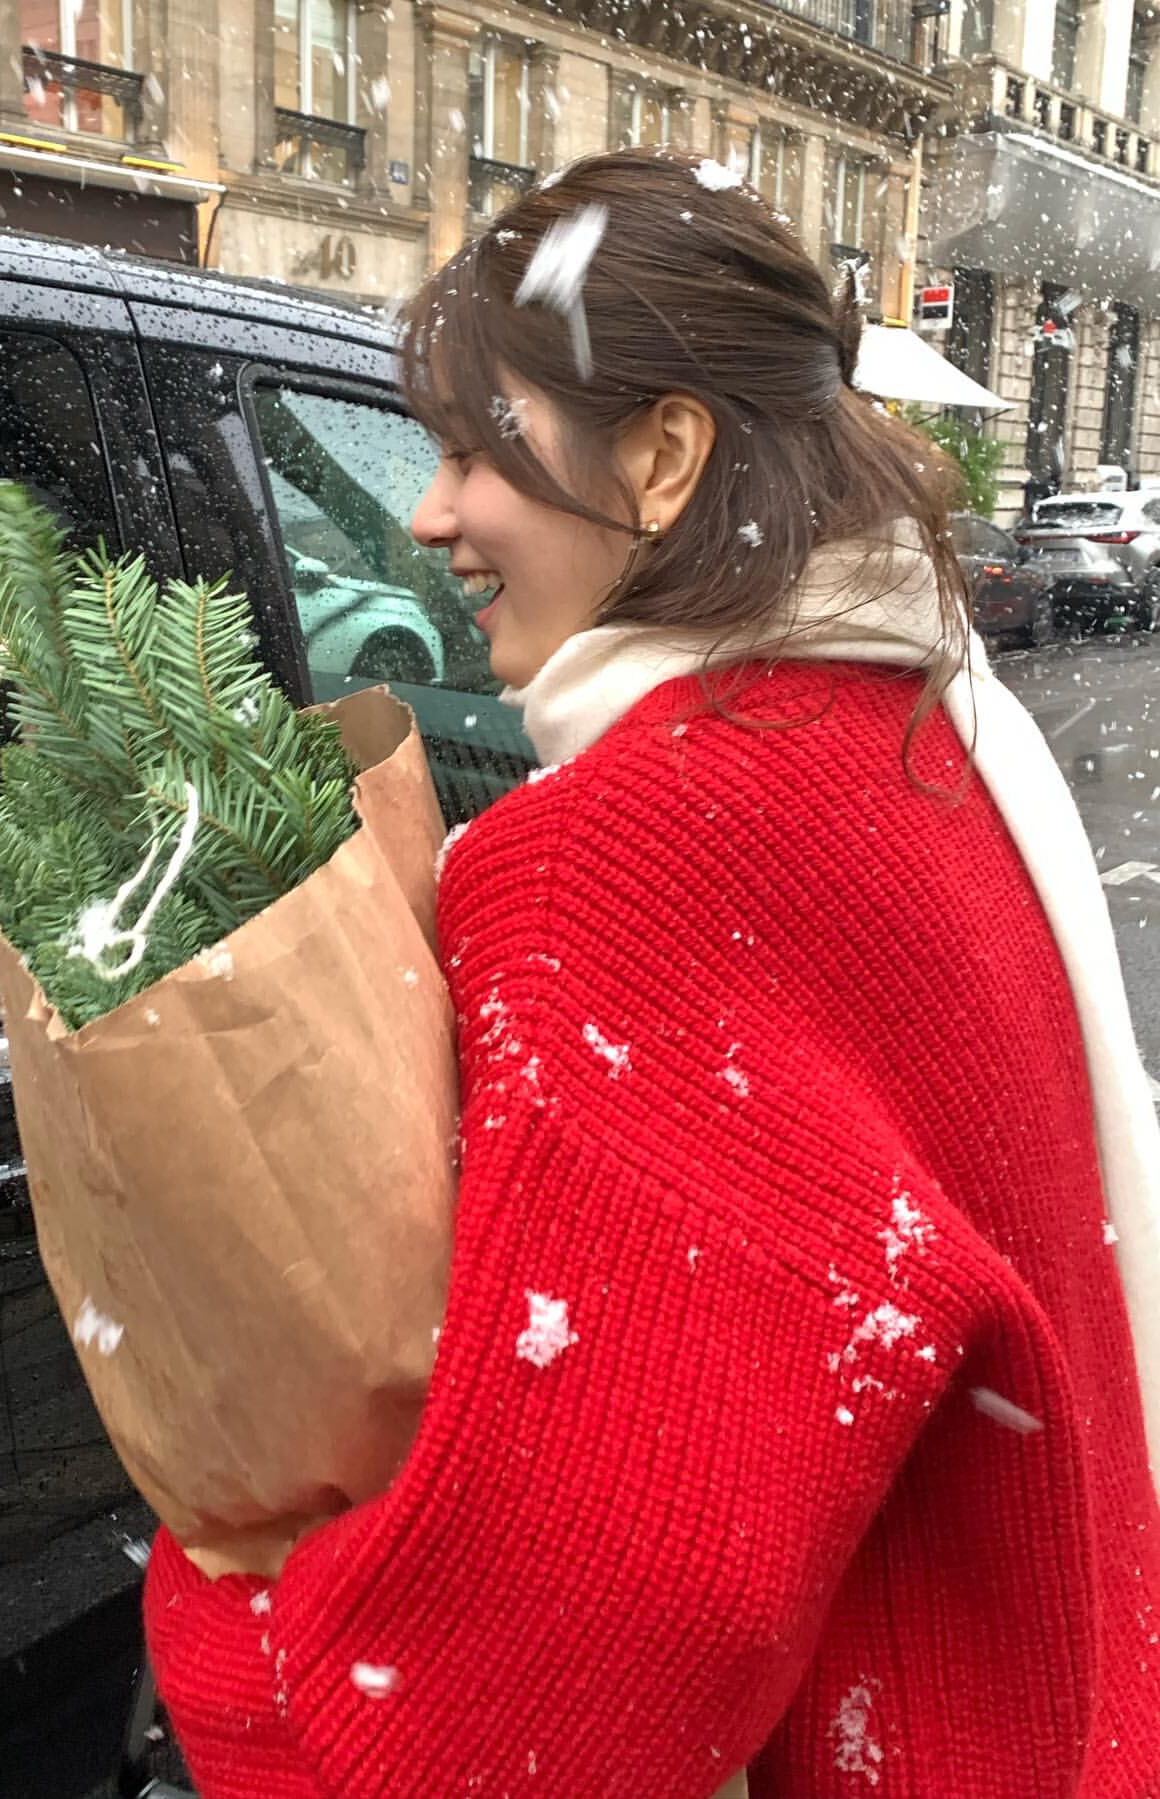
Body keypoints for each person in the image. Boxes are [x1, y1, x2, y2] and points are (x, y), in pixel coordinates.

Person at [144, 149, 1160, 1797]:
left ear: (665, 456)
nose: (427, 514)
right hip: (1067, 1715)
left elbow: (589, 1626)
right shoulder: (922, 728)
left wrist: (233, 1617)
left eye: (474, 450)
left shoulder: (636, 849)